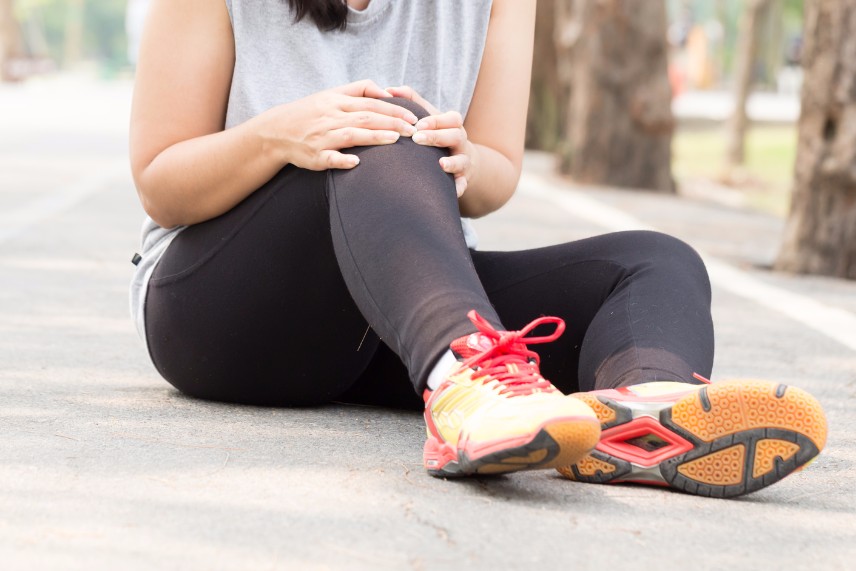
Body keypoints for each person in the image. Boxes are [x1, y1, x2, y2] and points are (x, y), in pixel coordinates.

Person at [129, 0, 826, 497]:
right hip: (221, 314)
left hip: (386, 322)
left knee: (658, 262)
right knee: (387, 125)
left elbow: (494, 171)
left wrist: (461, 158)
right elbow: (160, 180)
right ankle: (470, 383)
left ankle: (639, 415)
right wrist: (276, 136)